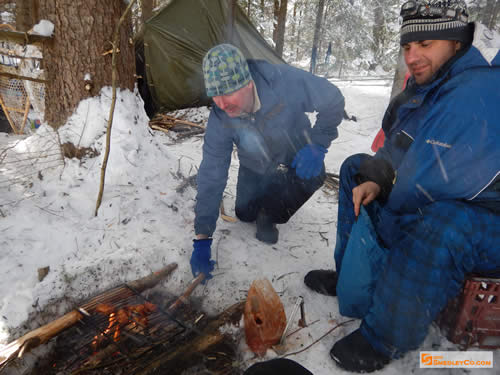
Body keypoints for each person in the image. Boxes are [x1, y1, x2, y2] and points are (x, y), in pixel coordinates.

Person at [304, 0, 500, 372]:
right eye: (408, 47)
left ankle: (385, 337)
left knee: (442, 222)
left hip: (489, 216)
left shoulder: (476, 90)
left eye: (425, 45)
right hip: (447, 192)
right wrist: (376, 178)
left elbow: (425, 186)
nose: (412, 56)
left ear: (455, 42)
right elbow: (403, 144)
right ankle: (351, 276)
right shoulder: (438, 80)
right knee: (356, 170)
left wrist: (379, 234)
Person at [190, 44, 345, 281]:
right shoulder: (221, 116)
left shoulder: (283, 81)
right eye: (215, 94)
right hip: (255, 163)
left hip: (294, 154)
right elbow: (212, 172)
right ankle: (260, 203)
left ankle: (270, 214)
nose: (221, 103)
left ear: (248, 83)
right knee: (243, 213)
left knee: (312, 175)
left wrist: (318, 144)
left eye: (227, 93)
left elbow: (333, 99)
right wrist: (202, 237)